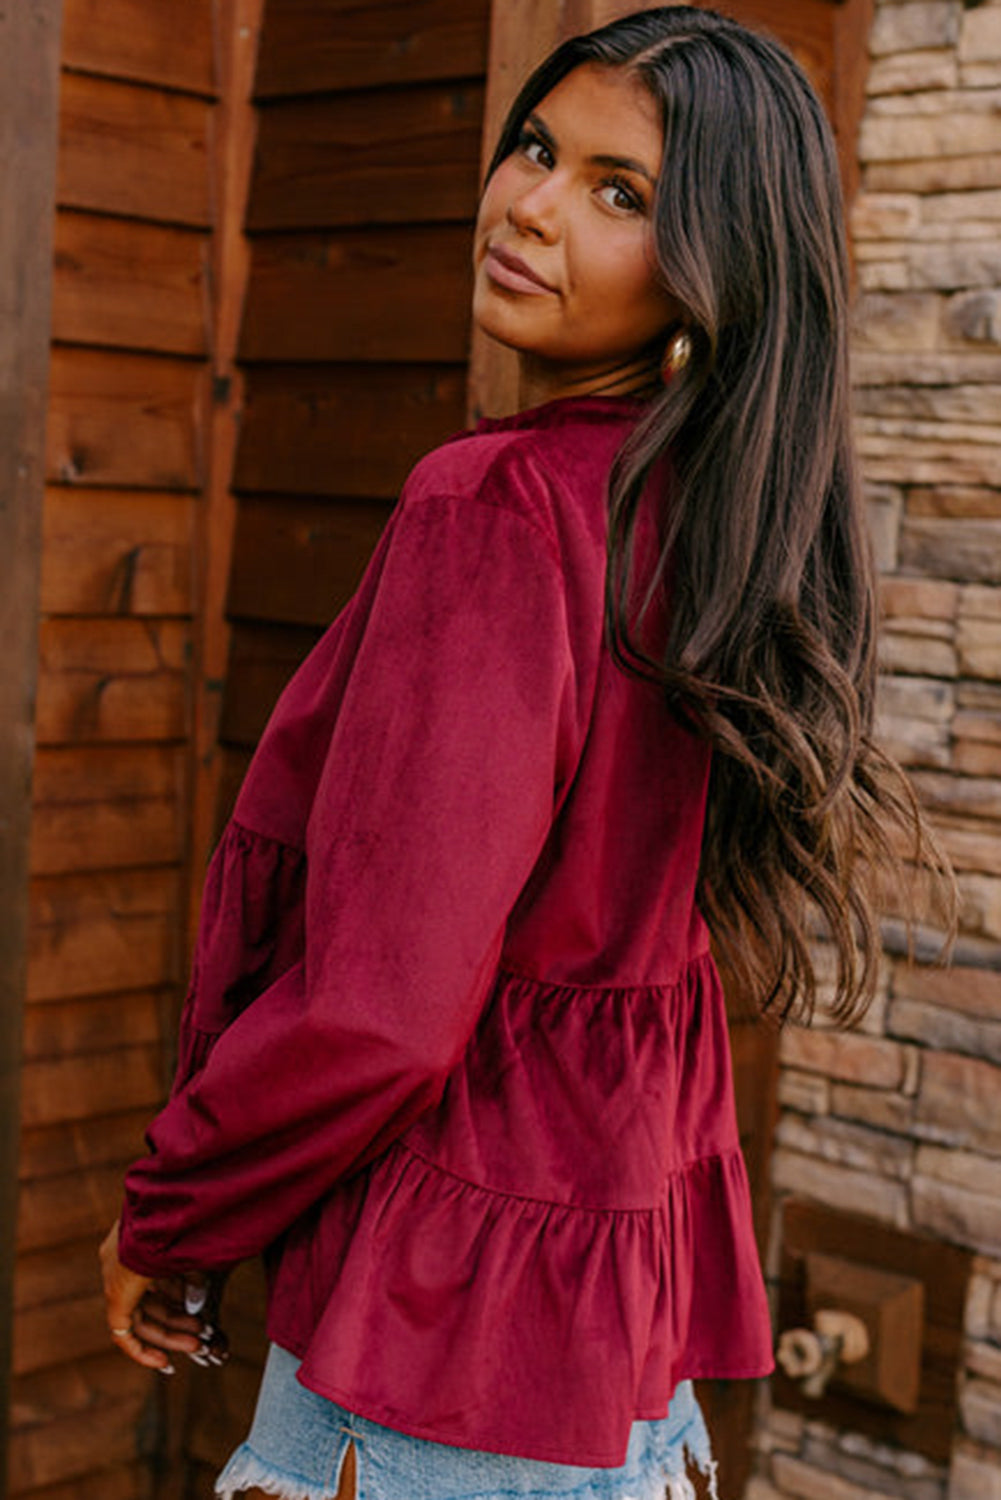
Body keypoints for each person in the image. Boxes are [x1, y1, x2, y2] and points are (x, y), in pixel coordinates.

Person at [100, 8, 953, 1500]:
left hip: (426, 1366)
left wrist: (168, 1212)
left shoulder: (496, 507)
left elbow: (382, 1011)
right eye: (539, 149)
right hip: (614, 1374)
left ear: (715, 270)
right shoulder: (725, 524)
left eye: (620, 194)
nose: (531, 204)